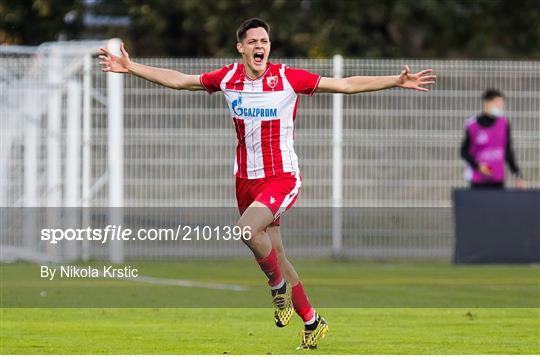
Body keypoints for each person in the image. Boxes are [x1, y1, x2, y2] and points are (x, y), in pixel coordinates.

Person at [99, 18, 436, 349]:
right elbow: (180, 80)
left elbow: (345, 84)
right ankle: (312, 321)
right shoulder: (228, 78)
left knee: (246, 230)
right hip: (245, 181)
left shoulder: (288, 78)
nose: (260, 46)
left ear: (268, 47)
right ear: (241, 48)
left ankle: (277, 287)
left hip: (281, 177)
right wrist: (132, 67)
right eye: (253, 42)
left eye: (264, 42)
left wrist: (395, 80)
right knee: (277, 251)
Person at [460, 89, 526, 189]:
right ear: (487, 103)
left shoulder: (504, 124)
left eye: (501, 104)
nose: (499, 107)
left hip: (498, 179)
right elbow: (463, 151)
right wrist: (478, 166)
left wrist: (517, 175)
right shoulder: (472, 125)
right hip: (478, 180)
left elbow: (508, 151)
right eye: (496, 103)